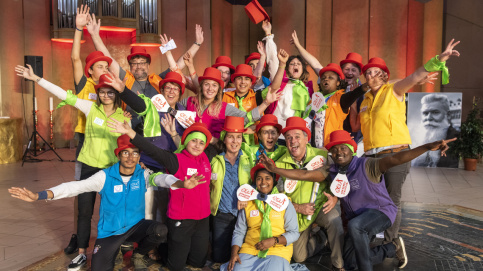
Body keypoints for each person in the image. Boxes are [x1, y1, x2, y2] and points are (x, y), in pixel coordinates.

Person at [259, 129, 456, 270]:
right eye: (334, 150)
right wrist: (274, 169)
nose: (339, 152)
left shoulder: (368, 164)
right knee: (350, 261)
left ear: (351, 149)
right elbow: (302, 175)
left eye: (343, 148)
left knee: (355, 227)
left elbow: (398, 158)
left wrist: (426, 147)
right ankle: (391, 248)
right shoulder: (331, 171)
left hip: (380, 213)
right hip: (358, 222)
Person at [7, 134, 208, 270]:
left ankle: (138, 252)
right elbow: (73, 187)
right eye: (126, 153)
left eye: (135, 153)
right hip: (110, 233)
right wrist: (40, 195)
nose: (130, 157)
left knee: (159, 230)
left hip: (136, 227)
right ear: (118, 155)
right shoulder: (103, 177)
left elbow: (162, 179)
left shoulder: (143, 174)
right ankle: (117, 249)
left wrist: (181, 183)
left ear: (139, 156)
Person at [15, 65, 130, 270]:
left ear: (116, 93)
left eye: (110, 91)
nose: (105, 95)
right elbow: (63, 94)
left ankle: (115, 250)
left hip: (111, 171)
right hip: (88, 166)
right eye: (102, 91)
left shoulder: (124, 116)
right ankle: (82, 253)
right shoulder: (90, 108)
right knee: (84, 212)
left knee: (113, 212)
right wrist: (37, 79)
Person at [359, 39, 460, 244]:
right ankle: (376, 237)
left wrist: (439, 59)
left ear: (384, 75)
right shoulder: (365, 99)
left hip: (396, 153)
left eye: (375, 72)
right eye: (367, 72)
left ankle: (390, 242)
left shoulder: (394, 90)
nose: (370, 75)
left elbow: (415, 75)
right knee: (373, 200)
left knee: (391, 199)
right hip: (371, 156)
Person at [108, 120, 216, 271]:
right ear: (185, 142)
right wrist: (131, 133)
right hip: (182, 219)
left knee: (198, 262)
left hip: (202, 219)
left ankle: (178, 247)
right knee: (176, 266)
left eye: (201, 142)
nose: (197, 145)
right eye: (193, 141)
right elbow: (153, 150)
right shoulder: (175, 160)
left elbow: (220, 143)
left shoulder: (206, 156)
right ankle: (163, 247)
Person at [87, 14, 204, 132]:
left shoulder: (158, 80)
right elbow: (108, 58)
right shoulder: (125, 79)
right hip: (131, 131)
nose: (139, 66)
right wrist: (94, 35)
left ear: (148, 65)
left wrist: (197, 44)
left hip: (156, 131)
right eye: (134, 63)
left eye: (142, 62)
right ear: (130, 66)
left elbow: (180, 63)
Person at [62, 4, 113, 259]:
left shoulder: (113, 89)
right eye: (99, 66)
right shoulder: (84, 85)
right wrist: (78, 29)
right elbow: (74, 58)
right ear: (91, 70)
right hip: (85, 143)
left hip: (108, 144)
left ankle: (106, 246)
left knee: (109, 201)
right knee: (84, 198)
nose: (104, 69)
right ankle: (80, 242)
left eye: (106, 66)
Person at [274, 116, 344, 270]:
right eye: (289, 138)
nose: (293, 141)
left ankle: (339, 264)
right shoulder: (280, 166)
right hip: (298, 215)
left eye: (297, 136)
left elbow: (340, 179)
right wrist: (298, 207)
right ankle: (322, 238)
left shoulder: (323, 156)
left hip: (321, 207)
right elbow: (278, 198)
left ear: (306, 138)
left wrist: (335, 197)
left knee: (334, 221)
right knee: (299, 257)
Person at [226, 162, 299, 271]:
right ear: (255, 181)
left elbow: (294, 233)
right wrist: (234, 254)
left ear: (274, 180)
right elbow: (239, 231)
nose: (263, 182)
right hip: (251, 249)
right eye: (259, 178)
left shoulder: (284, 202)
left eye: (267, 178)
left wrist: (274, 241)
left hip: (277, 250)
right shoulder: (248, 202)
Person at [178, 67, 282, 139]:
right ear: (201, 86)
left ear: (219, 88)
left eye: (214, 85)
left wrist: (266, 103)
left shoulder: (224, 107)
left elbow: (245, 118)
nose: (210, 89)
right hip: (189, 150)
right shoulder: (187, 101)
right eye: (206, 84)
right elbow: (173, 115)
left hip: (213, 152)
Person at [210, 116, 254, 266]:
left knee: (242, 257)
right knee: (219, 257)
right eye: (231, 137)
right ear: (224, 138)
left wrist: (247, 196)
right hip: (222, 214)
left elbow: (257, 183)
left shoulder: (249, 159)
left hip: (244, 215)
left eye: (238, 137)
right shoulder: (215, 161)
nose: (235, 141)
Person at [412, 94, 459, 168]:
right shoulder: (416, 137)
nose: (429, 118)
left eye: (435, 112)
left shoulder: (455, 137)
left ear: (448, 115)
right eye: (425, 113)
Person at [222, 64, 259, 144]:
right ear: (234, 81)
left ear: (250, 83)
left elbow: (274, 87)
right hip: (229, 142)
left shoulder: (258, 97)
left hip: (252, 142)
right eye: (239, 78)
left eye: (246, 79)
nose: (243, 82)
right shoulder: (223, 96)